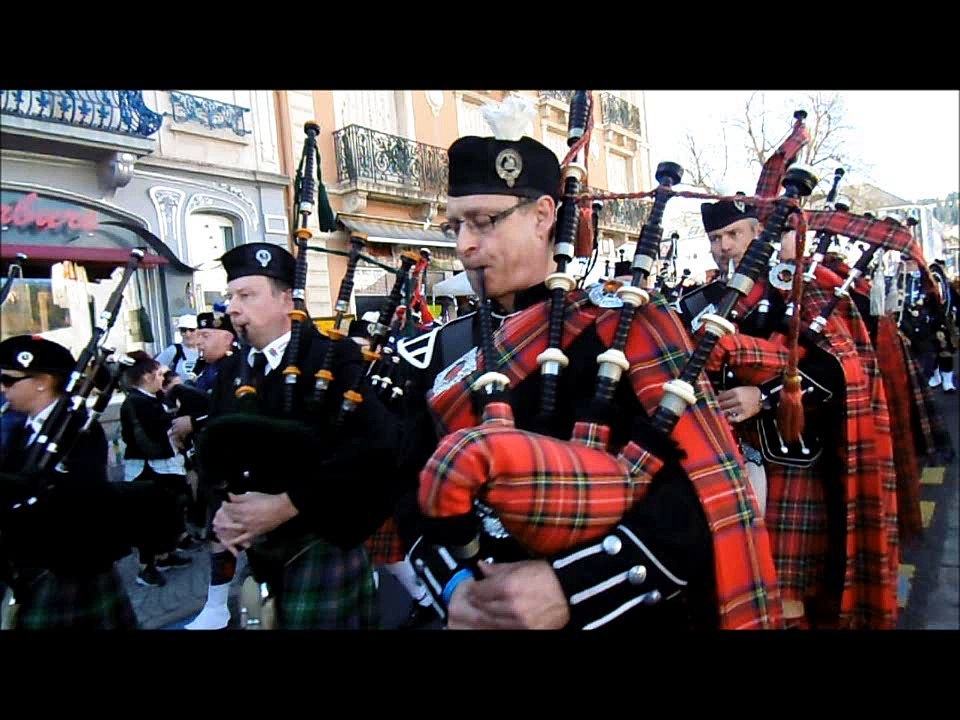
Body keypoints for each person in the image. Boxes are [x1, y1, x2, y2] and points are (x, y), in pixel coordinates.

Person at [385, 100, 781, 630]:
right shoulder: (438, 348)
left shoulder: (625, 326)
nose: (465, 245)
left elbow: (699, 489)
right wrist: (455, 588)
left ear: (544, 216)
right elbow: (410, 486)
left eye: (484, 222)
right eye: (454, 225)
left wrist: (570, 587)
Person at [687, 197, 899, 629]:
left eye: (733, 234)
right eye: (715, 238)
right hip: (719, 456)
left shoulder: (797, 288)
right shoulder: (698, 301)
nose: (724, 246)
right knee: (731, 583)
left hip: (789, 456)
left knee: (786, 596)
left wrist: (764, 395)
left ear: (757, 234)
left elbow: (839, 371)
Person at [204, 242, 403, 629]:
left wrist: (290, 503)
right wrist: (226, 512)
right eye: (231, 297)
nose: (232, 308)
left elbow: (376, 447)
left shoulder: (333, 356)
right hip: (262, 555)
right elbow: (219, 449)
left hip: (321, 544)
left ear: (286, 300)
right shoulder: (232, 371)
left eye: (246, 295)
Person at [0, 336, 137, 629]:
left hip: (70, 568)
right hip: (31, 569)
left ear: (42, 382)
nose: (2, 388)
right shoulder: (21, 429)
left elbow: (75, 499)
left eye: (9, 380)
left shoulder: (78, 431)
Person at [119, 352, 193, 587]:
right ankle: (146, 567)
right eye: (159, 374)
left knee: (169, 511)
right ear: (147, 377)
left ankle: (164, 555)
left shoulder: (152, 398)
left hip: (163, 463)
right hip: (149, 467)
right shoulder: (136, 402)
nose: (163, 378)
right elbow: (143, 435)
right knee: (149, 518)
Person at [155, 314, 200, 381]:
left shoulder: (206, 350)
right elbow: (153, 370)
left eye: (192, 330)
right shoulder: (174, 350)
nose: (188, 334)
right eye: (183, 330)